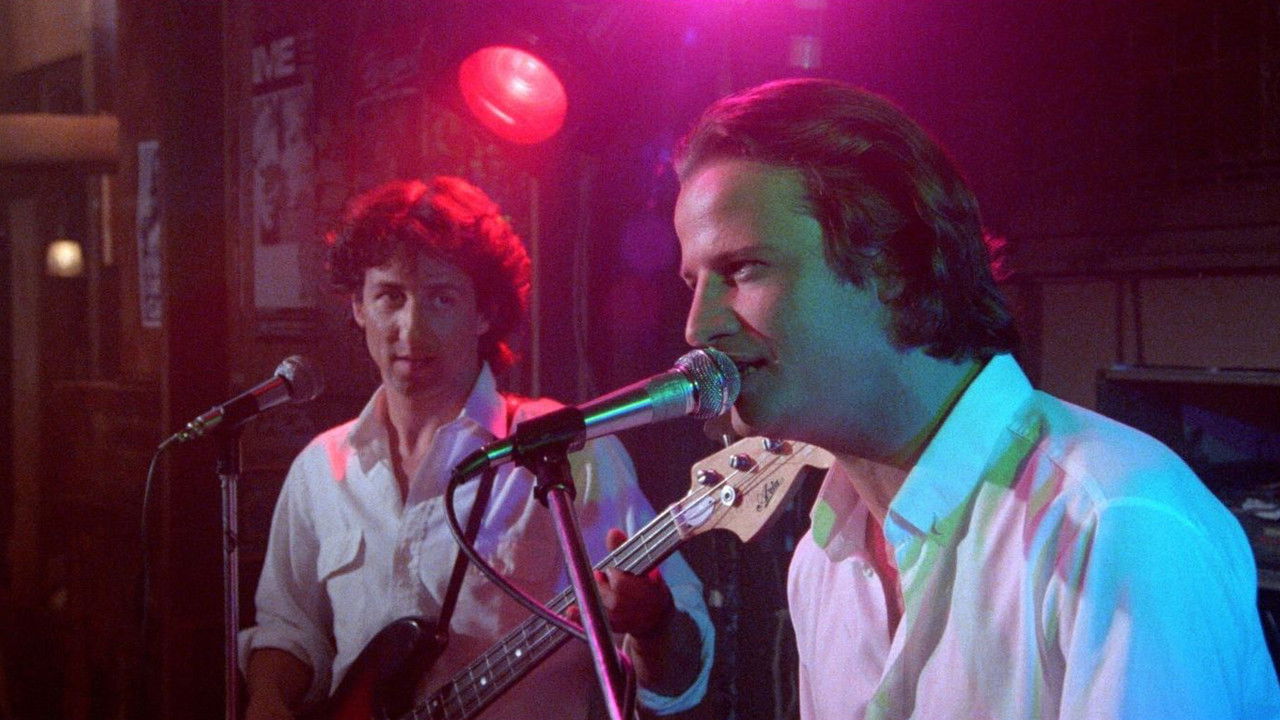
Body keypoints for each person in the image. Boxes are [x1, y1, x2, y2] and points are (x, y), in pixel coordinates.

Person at [672, 77, 1280, 719]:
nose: (697, 326)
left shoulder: (1116, 524)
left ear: (892, 265)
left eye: (743, 269)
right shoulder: (823, 559)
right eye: (693, 281)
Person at [239, 176, 713, 719]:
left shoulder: (566, 449)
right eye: (390, 296)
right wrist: (267, 697)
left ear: (484, 312)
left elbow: (683, 679)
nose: (412, 329)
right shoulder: (320, 469)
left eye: (441, 298)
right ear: (358, 307)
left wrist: (653, 621)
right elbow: (290, 628)